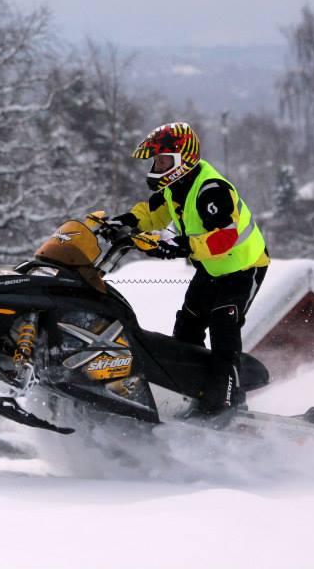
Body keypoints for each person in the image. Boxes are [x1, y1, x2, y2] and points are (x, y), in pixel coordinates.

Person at [112, 122, 269, 416]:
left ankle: (225, 402)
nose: (157, 167)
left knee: (224, 330)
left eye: (163, 161)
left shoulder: (211, 189)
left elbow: (226, 236)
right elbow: (152, 212)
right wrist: (124, 222)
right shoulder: (175, 187)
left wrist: (182, 246)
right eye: (156, 161)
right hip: (211, 269)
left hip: (242, 270)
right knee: (187, 327)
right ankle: (187, 389)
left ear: (183, 158)